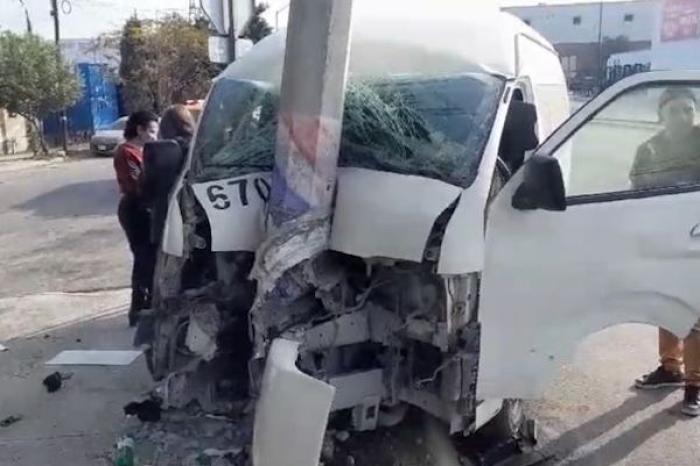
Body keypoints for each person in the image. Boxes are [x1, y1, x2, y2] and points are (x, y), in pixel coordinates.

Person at [631, 87, 700, 417]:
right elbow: (636, 193)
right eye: (676, 111)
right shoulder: (648, 150)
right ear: (662, 115)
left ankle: (694, 386)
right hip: (667, 242)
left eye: (689, 110)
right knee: (668, 307)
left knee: (696, 317)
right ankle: (670, 368)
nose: (684, 117)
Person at [113, 110, 159, 327]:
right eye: (151, 131)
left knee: (149, 258)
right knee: (142, 259)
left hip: (146, 207)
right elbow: (136, 183)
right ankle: (138, 309)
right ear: (139, 129)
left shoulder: (145, 150)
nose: (154, 136)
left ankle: (147, 303)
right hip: (135, 209)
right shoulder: (127, 152)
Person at [142, 104, 195, 246]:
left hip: (167, 219)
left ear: (164, 127)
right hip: (199, 216)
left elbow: (145, 191)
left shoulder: (158, 150)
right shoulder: (202, 146)